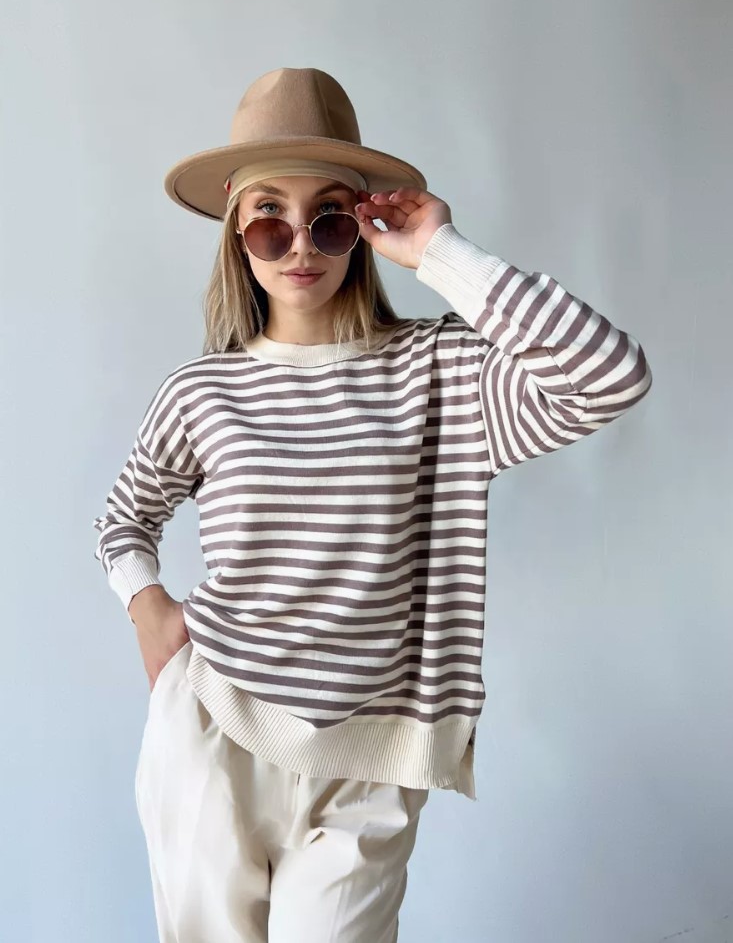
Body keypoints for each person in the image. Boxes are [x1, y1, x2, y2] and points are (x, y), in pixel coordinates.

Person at [92, 66, 652, 942]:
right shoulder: (202, 392)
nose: (300, 245)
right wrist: (145, 604)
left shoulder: (438, 373)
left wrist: (439, 250)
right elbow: (124, 517)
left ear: (362, 223)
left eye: (329, 217)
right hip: (211, 730)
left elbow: (606, 376)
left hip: (370, 759)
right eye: (269, 218)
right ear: (236, 230)